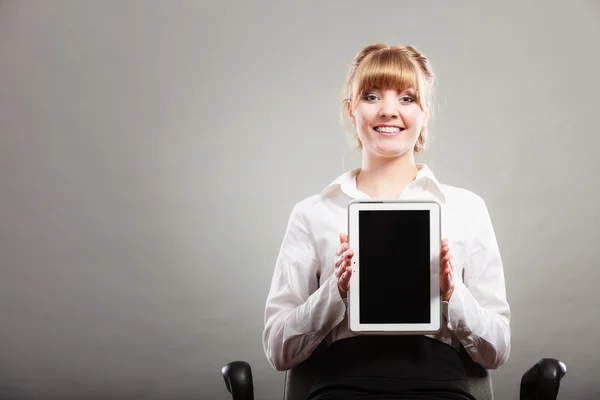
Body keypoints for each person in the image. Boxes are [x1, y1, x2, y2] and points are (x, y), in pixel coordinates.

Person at [262, 43, 511, 400]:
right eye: (372, 96)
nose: (389, 111)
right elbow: (277, 349)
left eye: (407, 99)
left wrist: (454, 294)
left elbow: (497, 349)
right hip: (342, 386)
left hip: (440, 386)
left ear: (424, 113)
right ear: (352, 111)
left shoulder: (466, 209)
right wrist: (336, 292)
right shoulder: (312, 213)